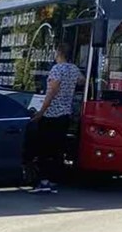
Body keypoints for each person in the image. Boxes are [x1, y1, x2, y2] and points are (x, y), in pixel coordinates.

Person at [30, 44, 83, 193]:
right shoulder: (74, 69)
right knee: (57, 150)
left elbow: (51, 92)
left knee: (44, 149)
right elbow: (82, 81)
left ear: (59, 53)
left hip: (51, 115)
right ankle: (53, 181)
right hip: (65, 114)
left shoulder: (56, 69)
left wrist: (41, 112)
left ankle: (43, 181)